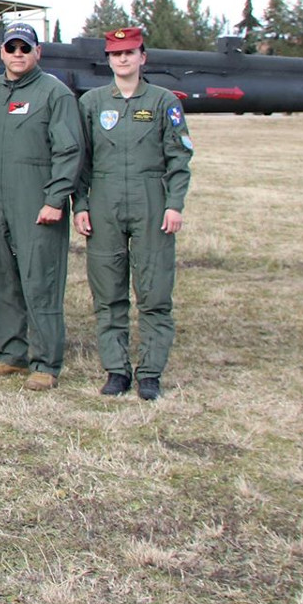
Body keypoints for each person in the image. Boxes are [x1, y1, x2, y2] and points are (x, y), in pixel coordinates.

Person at [74, 25, 193, 401]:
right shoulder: (92, 103)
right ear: (108, 60)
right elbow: (81, 160)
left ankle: (151, 372)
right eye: (116, 54)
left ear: (143, 57)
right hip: (105, 202)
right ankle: (116, 370)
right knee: (108, 293)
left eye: (129, 53)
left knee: (154, 293)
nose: (122, 59)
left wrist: (174, 204)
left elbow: (179, 157)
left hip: (151, 201)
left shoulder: (163, 102)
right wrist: (81, 205)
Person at [0, 22, 82, 391]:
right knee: (0, 276)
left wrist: (55, 199)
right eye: (12, 48)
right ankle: (10, 353)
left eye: (25, 48)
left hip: (36, 197)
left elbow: (69, 150)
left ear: (39, 52)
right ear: (2, 52)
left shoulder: (55, 93)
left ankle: (45, 361)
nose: (18, 54)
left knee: (41, 279)